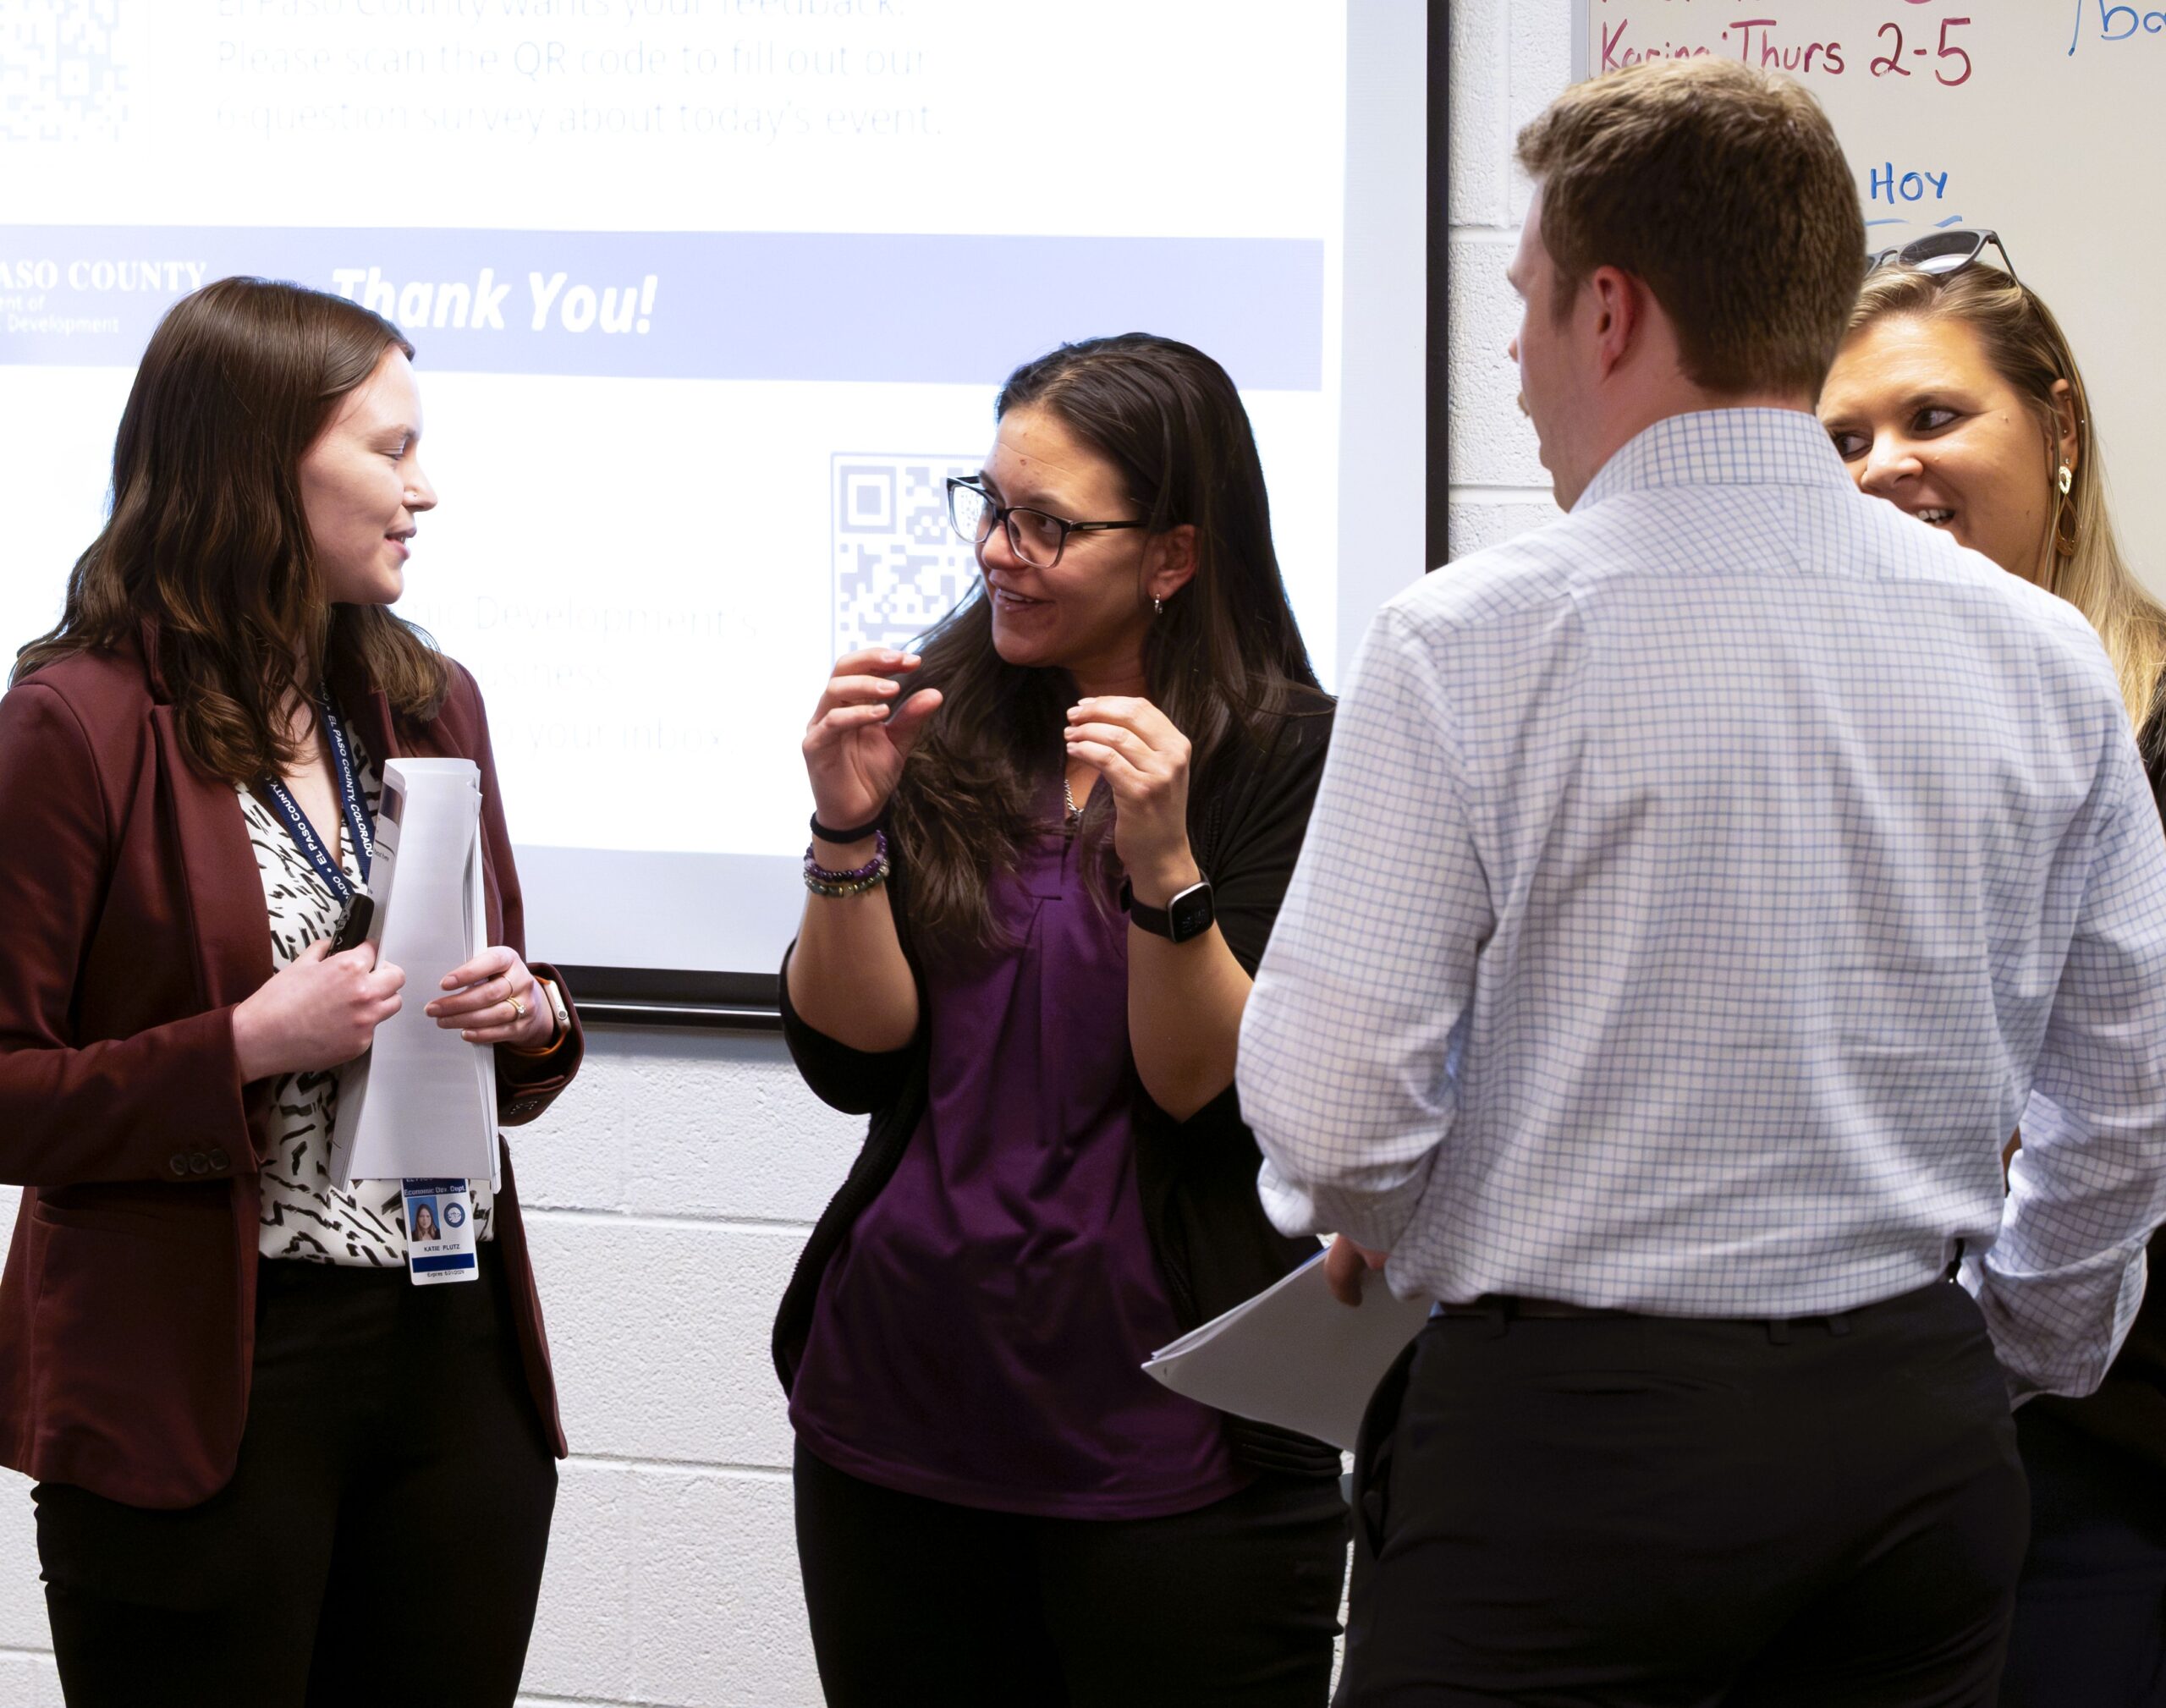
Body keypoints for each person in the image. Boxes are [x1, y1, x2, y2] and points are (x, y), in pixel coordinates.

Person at [1239, 58, 2166, 1706]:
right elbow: (2120, 1097)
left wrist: (1434, 1232)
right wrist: (2006, 1345)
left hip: (1561, 1456)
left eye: (1520, 301)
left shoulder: (1468, 642)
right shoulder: (2041, 657)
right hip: (1909, 1443)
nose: (1510, 357)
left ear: (1609, 310)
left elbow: (1328, 1125)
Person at [0, 277, 584, 1707]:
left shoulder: (428, 698)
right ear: (261, 463)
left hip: (451, 1352)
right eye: (390, 449)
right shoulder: (74, 725)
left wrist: (533, 1016)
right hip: (211, 1378)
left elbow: (503, 997)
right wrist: (242, 1046)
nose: (423, 489)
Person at [773, 332, 1347, 1707]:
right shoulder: (943, 715)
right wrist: (847, 827)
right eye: (989, 509)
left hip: (1167, 1441)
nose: (997, 554)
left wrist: (1165, 864)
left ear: (1173, 555)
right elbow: (854, 1058)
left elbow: (1199, 1084)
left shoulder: (1284, 752)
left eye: (1048, 525)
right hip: (902, 1398)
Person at [1820, 238, 2166, 1708]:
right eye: (1840, 441)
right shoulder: (1826, 752)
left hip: (2116, 1462)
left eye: (1932, 417)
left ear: (2062, 432)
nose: (1884, 467)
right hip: (1854, 1446)